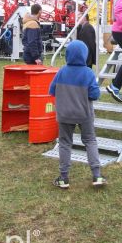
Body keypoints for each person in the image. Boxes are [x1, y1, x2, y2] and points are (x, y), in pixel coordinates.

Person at [48, 40, 106, 188]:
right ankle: (97, 175)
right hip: (84, 114)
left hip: (65, 114)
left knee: (65, 143)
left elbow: (52, 91)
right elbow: (95, 95)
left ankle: (64, 178)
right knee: (90, 141)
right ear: (85, 55)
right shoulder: (88, 73)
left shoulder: (61, 71)